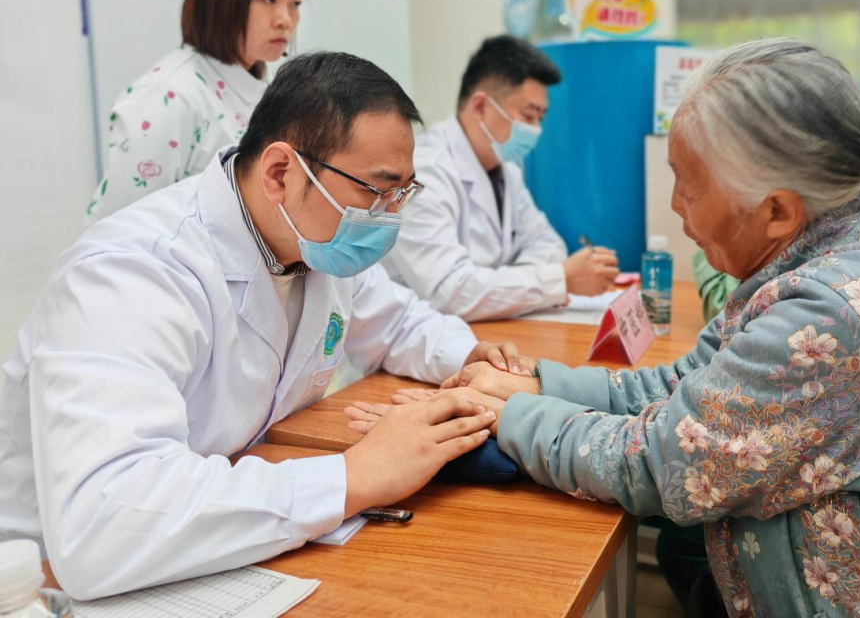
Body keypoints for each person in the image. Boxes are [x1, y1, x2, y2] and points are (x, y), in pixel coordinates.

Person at [353, 39, 860, 615]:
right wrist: (534, 385)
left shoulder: (829, 309)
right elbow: (689, 384)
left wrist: (509, 414)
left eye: (688, 184)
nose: (673, 205)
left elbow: (661, 463)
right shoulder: (837, 240)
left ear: (776, 211)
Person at [0, 51, 533, 600]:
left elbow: (399, 322)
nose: (389, 217)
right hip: (50, 583)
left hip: (222, 531)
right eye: (377, 192)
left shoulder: (311, 242)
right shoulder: (132, 273)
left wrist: (473, 360)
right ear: (281, 173)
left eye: (402, 194)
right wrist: (353, 477)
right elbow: (103, 526)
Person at [86, 0, 312, 220]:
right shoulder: (167, 97)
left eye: (295, 3)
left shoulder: (270, 90)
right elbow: (115, 232)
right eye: (269, 0)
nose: (285, 19)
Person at [381, 35, 619, 321]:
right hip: (415, 335)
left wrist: (503, 287)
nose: (536, 129)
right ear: (480, 106)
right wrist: (558, 279)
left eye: (541, 118)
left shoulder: (507, 169)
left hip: (487, 327)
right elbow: (449, 292)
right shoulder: (423, 172)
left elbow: (548, 245)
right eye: (528, 115)